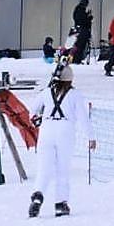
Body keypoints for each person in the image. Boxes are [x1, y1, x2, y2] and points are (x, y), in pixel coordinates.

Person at [28, 64, 96, 218]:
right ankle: (61, 203)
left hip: (46, 129)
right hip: (65, 130)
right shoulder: (75, 95)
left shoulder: (46, 92)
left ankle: (38, 195)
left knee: (44, 168)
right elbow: (83, 118)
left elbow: (32, 111)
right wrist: (91, 137)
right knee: (62, 169)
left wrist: (37, 120)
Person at [70, 0, 93, 64]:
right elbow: (83, 21)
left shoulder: (78, 9)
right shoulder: (80, 10)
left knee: (77, 45)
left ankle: (76, 59)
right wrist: (89, 18)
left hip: (78, 29)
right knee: (80, 46)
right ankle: (77, 59)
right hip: (82, 30)